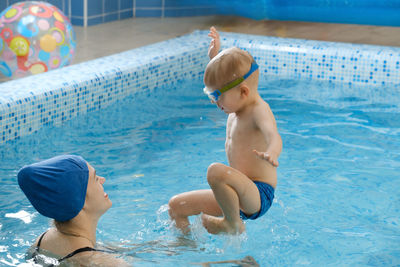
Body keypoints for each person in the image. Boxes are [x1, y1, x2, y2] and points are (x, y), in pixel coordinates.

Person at [168, 27, 282, 235]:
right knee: (176, 206)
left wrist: (273, 152)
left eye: (217, 95)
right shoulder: (237, 104)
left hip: (257, 194)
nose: (215, 102)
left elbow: (273, 135)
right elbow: (228, 78)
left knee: (216, 171)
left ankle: (232, 224)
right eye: (211, 95)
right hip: (233, 195)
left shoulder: (258, 110)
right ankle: (188, 252)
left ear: (244, 91)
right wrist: (215, 56)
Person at [18, 155, 130, 266]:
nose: (102, 180)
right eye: (95, 179)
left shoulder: (43, 239)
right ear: (80, 200)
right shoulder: (102, 263)